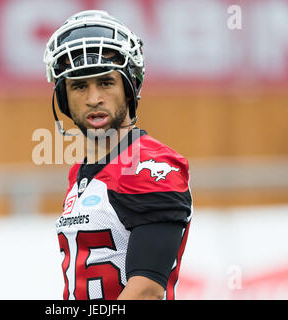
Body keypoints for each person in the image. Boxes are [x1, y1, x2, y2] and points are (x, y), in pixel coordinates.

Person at [44, 10, 193, 300]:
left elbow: (146, 291)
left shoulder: (151, 166)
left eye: (106, 82)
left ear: (128, 87)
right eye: (78, 85)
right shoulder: (80, 172)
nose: (93, 98)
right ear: (63, 96)